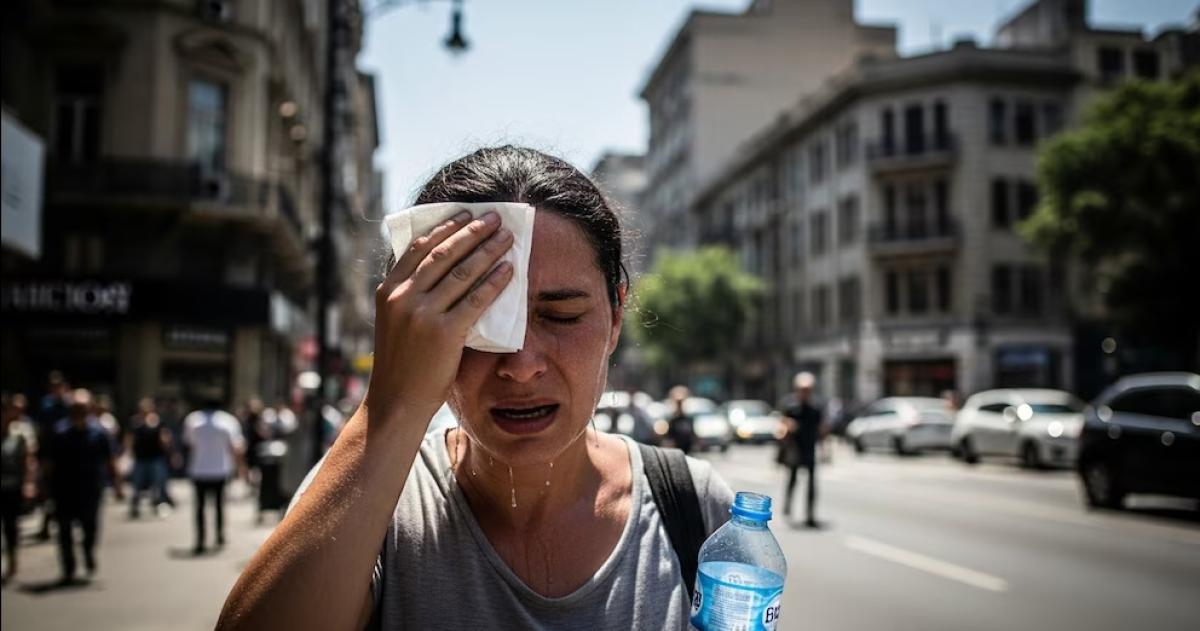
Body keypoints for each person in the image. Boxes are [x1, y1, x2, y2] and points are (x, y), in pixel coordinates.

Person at [218, 146, 734, 630]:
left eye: (561, 316)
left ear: (616, 315)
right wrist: (393, 403)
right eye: (481, 323)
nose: (521, 366)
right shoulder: (372, 505)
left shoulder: (694, 506)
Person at [45, 389, 125, 583]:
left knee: (90, 528)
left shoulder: (99, 432)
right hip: (63, 489)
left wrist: (117, 484)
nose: (78, 412)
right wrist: (43, 487)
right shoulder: (60, 432)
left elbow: (111, 459)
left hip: (90, 488)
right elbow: (48, 462)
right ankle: (68, 567)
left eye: (82, 408)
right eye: (75, 408)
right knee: (64, 530)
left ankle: (88, 553)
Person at [183, 395, 245, 554]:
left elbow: (189, 443)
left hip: (199, 468)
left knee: (200, 507)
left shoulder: (193, 420)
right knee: (219, 505)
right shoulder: (228, 421)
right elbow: (236, 446)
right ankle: (219, 535)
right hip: (220, 468)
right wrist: (241, 468)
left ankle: (200, 539)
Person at [778, 372, 826, 527]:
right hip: (794, 449)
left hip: (809, 449)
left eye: (808, 390)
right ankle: (788, 506)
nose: (805, 393)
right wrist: (787, 427)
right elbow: (781, 427)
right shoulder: (790, 407)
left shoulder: (816, 409)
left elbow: (821, 430)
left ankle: (810, 514)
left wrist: (824, 450)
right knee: (792, 479)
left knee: (811, 483)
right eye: (802, 390)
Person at [2, 394, 37, 583]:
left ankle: (12, 558)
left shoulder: (19, 433)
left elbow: (28, 460)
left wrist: (28, 483)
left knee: (10, 524)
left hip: (11, 487)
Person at [34, 371, 70, 541]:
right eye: (53, 386)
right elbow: (42, 432)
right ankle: (47, 524)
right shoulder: (46, 406)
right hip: (50, 456)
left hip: (68, 457)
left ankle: (64, 523)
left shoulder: (69, 405)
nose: (57, 389)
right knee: (48, 493)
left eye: (59, 385)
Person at [125, 400, 173, 519]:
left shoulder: (157, 421)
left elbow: (165, 436)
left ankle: (159, 504)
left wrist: (169, 450)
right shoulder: (135, 422)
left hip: (156, 457)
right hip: (140, 458)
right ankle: (135, 507)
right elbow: (129, 438)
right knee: (137, 483)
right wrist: (128, 452)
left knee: (158, 483)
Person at [665, 385, 695, 455]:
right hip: (676, 448)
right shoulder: (672, 420)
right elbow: (669, 435)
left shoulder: (688, 419)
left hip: (687, 447)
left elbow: (691, 433)